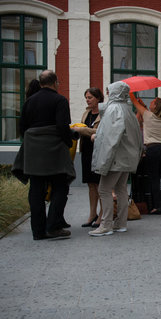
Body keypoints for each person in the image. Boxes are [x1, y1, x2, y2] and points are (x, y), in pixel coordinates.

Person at [13, 70, 75, 240]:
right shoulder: (60, 100)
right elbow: (62, 126)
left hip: (33, 150)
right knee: (60, 187)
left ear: (41, 83)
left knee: (36, 190)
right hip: (54, 149)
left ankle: (38, 231)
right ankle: (53, 225)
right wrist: (69, 143)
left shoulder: (29, 101)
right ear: (55, 82)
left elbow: (23, 126)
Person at [89, 81, 143, 236]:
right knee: (121, 190)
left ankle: (106, 225)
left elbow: (110, 137)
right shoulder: (128, 110)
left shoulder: (114, 109)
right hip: (127, 157)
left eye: (109, 91)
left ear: (114, 92)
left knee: (104, 189)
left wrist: (97, 140)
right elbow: (138, 137)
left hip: (115, 157)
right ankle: (121, 223)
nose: (107, 93)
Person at [129, 93, 161, 214]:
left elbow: (134, 102)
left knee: (154, 178)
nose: (150, 103)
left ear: (155, 106)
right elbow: (144, 108)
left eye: (153, 102)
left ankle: (157, 206)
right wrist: (142, 105)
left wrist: (131, 92)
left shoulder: (148, 115)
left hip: (152, 149)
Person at [73, 88, 104, 228]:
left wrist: (82, 130)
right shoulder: (86, 113)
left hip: (98, 151)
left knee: (100, 184)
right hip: (86, 151)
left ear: (98, 98)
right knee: (91, 185)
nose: (87, 100)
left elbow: (101, 131)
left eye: (90, 97)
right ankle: (92, 214)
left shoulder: (104, 114)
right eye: (86, 97)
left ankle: (102, 214)